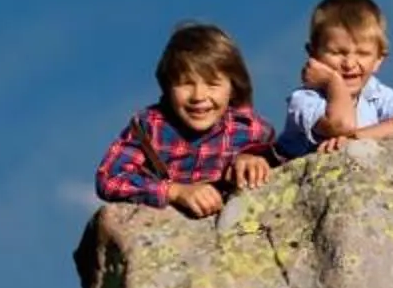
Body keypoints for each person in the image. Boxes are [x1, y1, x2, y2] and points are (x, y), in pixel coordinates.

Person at [94, 22, 280, 216]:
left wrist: (254, 159)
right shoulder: (150, 127)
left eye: (212, 84)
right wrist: (175, 191)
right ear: (168, 86)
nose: (198, 96)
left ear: (233, 88)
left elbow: (284, 164)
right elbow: (109, 178)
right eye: (186, 84)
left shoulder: (252, 129)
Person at [277, 0, 393, 158]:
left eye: (363, 53)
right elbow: (341, 124)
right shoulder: (305, 98)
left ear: (379, 59)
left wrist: (358, 138)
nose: (349, 64)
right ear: (313, 53)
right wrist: (334, 81)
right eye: (337, 53)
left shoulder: (375, 93)